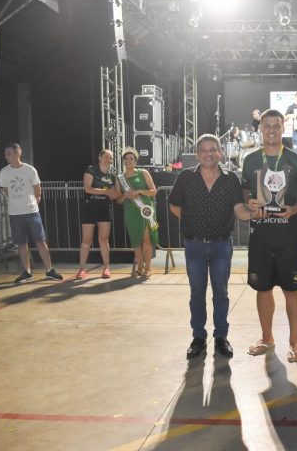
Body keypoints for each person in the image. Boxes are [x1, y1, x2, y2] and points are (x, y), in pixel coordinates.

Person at [168, 134, 255, 359]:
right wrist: (191, 221)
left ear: (220, 153)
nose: (208, 154)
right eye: (203, 150)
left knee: (221, 293)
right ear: (197, 154)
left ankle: (221, 336)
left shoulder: (231, 179)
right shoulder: (186, 177)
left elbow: (238, 208)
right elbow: (174, 205)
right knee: (197, 293)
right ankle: (198, 337)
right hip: (194, 245)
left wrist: (253, 213)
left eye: (213, 149)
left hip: (221, 246)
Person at [242, 109, 297, 363]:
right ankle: (267, 338)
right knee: (263, 289)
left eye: (276, 126)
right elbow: (246, 192)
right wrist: (250, 203)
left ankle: (295, 341)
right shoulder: (250, 160)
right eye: (267, 125)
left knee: (292, 289)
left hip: (287, 237)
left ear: (283, 128)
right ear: (260, 128)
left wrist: (294, 209)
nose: (271, 130)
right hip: (260, 235)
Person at [0, 143, 63, 283]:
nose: (6, 156)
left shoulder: (29, 170)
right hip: (15, 212)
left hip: (31, 211)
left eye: (9, 153)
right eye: (5, 154)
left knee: (40, 241)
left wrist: (36, 198)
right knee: (21, 243)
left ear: (17, 153)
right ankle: (27, 271)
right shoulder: (4, 172)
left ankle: (49, 270)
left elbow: (37, 187)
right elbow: (5, 190)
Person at [116, 147, 158, 278]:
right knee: (136, 240)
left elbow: (153, 191)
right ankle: (139, 267)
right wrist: (125, 195)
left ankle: (148, 268)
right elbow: (118, 200)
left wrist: (139, 191)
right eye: (126, 159)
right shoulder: (119, 178)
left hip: (145, 210)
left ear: (135, 161)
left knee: (146, 239)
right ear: (123, 161)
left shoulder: (143, 173)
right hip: (131, 212)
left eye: (131, 159)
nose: (128, 161)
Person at [76, 149, 117, 280]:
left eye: (111, 158)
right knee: (86, 240)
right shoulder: (91, 170)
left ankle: (106, 268)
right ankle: (81, 269)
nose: (109, 160)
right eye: (106, 157)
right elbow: (88, 188)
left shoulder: (112, 174)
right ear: (100, 157)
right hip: (89, 208)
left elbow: (113, 193)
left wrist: (116, 194)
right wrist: (105, 192)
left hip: (104, 208)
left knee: (103, 239)